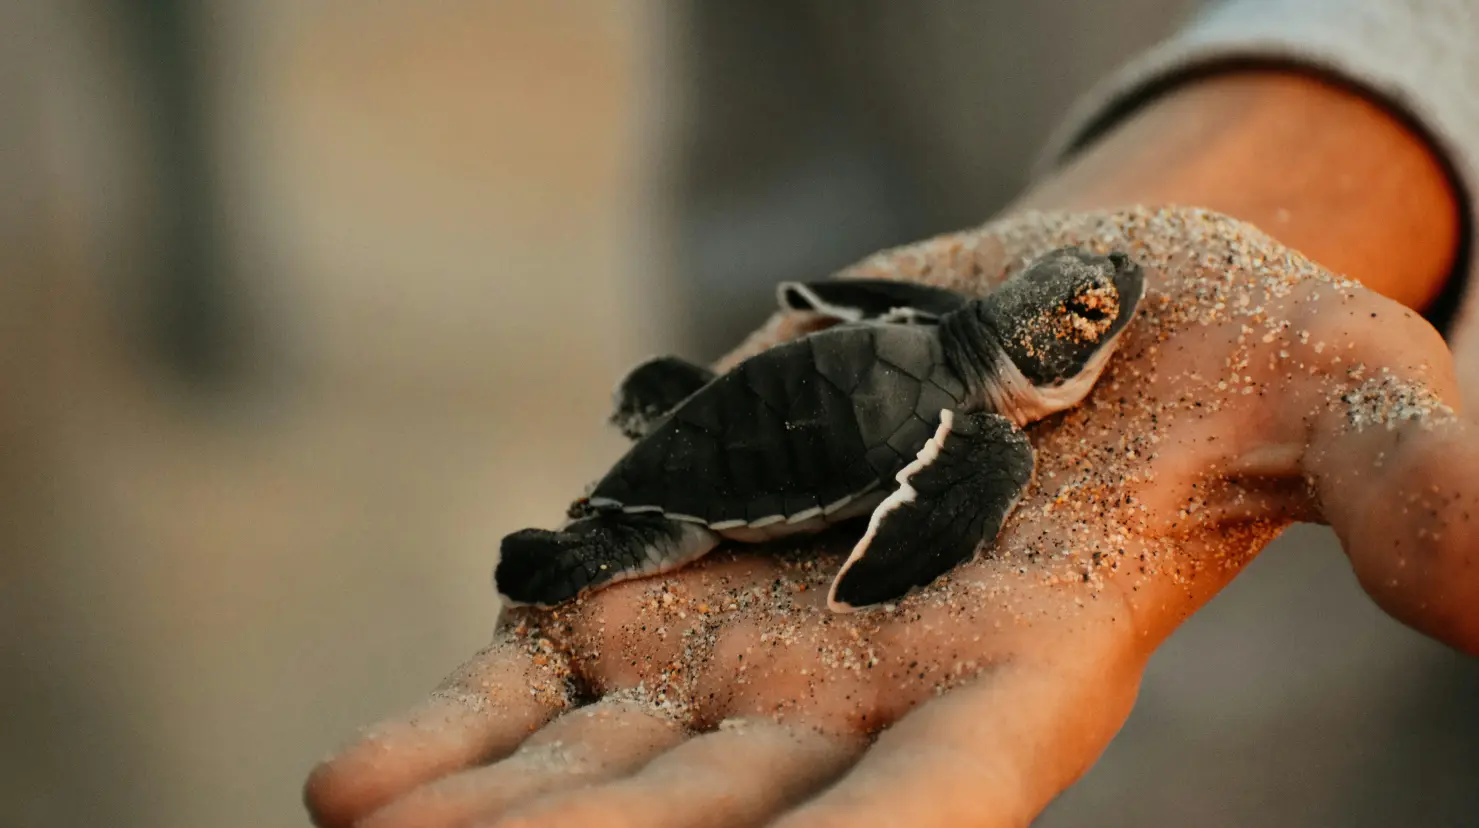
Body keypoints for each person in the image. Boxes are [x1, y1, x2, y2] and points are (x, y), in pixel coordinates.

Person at [303, 2, 1479, 826]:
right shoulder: (983, 441)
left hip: (1310, 737)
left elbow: (835, 303)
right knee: (669, 533)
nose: (1111, 301)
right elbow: (807, 274)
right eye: (1083, 301)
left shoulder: (942, 341)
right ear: (1028, 338)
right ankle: (592, 542)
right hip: (807, 306)